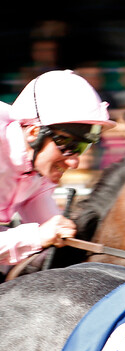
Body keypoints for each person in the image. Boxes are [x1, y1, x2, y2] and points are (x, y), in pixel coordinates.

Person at [0, 70, 114, 270]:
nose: (74, 163)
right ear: (34, 133)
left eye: (83, 148)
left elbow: (53, 230)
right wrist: (37, 236)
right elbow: (41, 234)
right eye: (70, 147)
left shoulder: (35, 167)